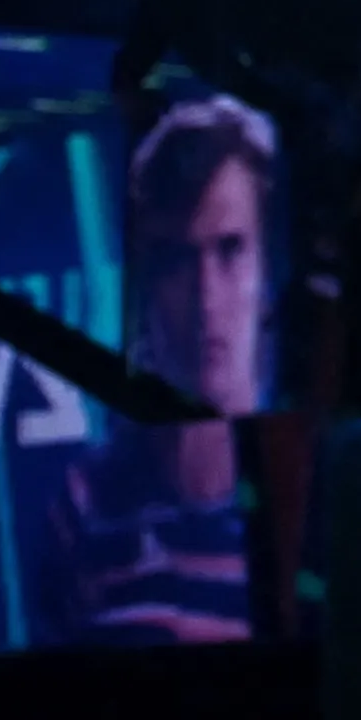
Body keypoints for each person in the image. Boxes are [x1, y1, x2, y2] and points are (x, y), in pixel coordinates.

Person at [58, 93, 276, 644]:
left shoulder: (316, 490)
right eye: (177, 260)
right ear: (146, 289)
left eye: (230, 250)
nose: (207, 299)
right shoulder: (85, 504)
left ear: (267, 268)